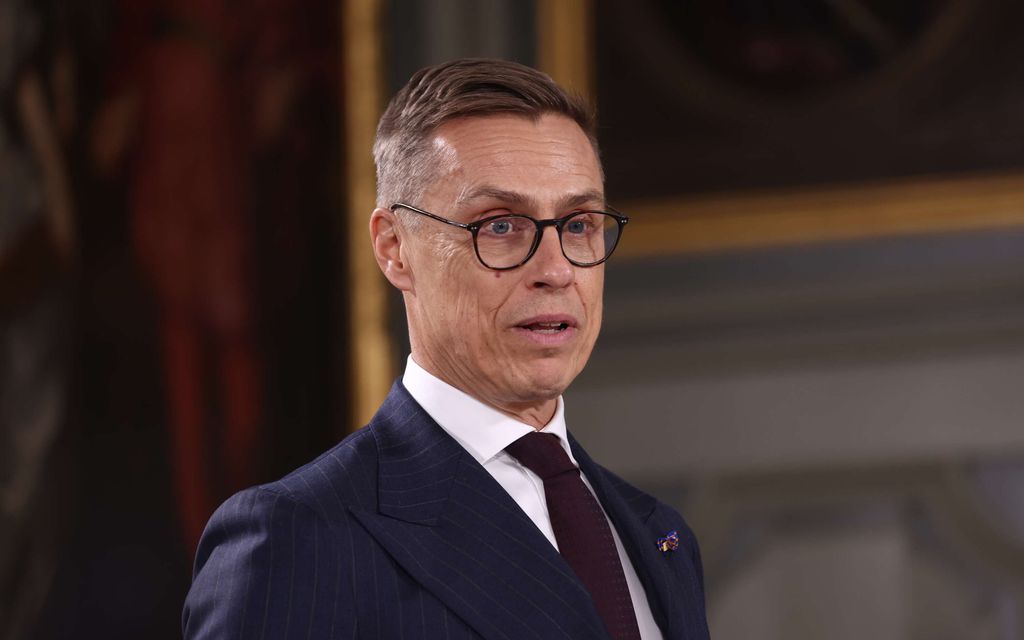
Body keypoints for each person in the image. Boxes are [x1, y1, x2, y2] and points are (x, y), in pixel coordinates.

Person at [183, 58, 709, 640]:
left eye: (579, 224)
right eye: (500, 226)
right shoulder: (298, 537)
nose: (557, 270)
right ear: (394, 248)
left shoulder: (659, 536)